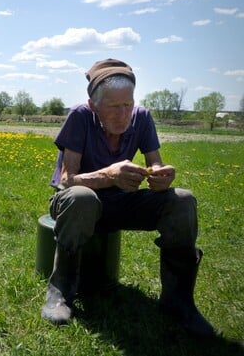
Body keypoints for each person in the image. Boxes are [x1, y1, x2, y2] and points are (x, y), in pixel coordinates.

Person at [40, 59, 214, 337]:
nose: (123, 115)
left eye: (128, 105)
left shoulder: (142, 117)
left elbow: (154, 162)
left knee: (182, 200)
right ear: (94, 104)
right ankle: (60, 291)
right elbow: (66, 180)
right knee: (82, 197)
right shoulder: (80, 116)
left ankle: (178, 301)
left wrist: (160, 176)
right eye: (113, 107)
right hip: (78, 203)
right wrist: (109, 175)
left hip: (121, 202)